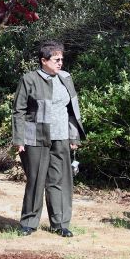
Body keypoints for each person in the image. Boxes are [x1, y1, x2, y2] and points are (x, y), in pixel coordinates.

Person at [12, 41, 86, 237]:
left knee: (60, 181)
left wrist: (74, 135)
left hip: (61, 136)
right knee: (36, 180)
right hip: (35, 137)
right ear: (43, 61)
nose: (60, 63)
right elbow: (18, 111)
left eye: (62, 59)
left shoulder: (66, 78)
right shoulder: (29, 79)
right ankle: (29, 223)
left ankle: (60, 224)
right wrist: (19, 139)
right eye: (56, 59)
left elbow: (72, 110)